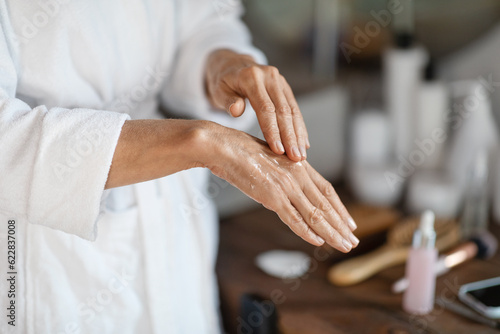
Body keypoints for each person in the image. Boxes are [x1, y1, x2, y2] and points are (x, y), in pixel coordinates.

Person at [0, 1, 359, 333]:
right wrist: (196, 143)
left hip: (174, 236)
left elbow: (204, 20)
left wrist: (223, 64)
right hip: (48, 255)